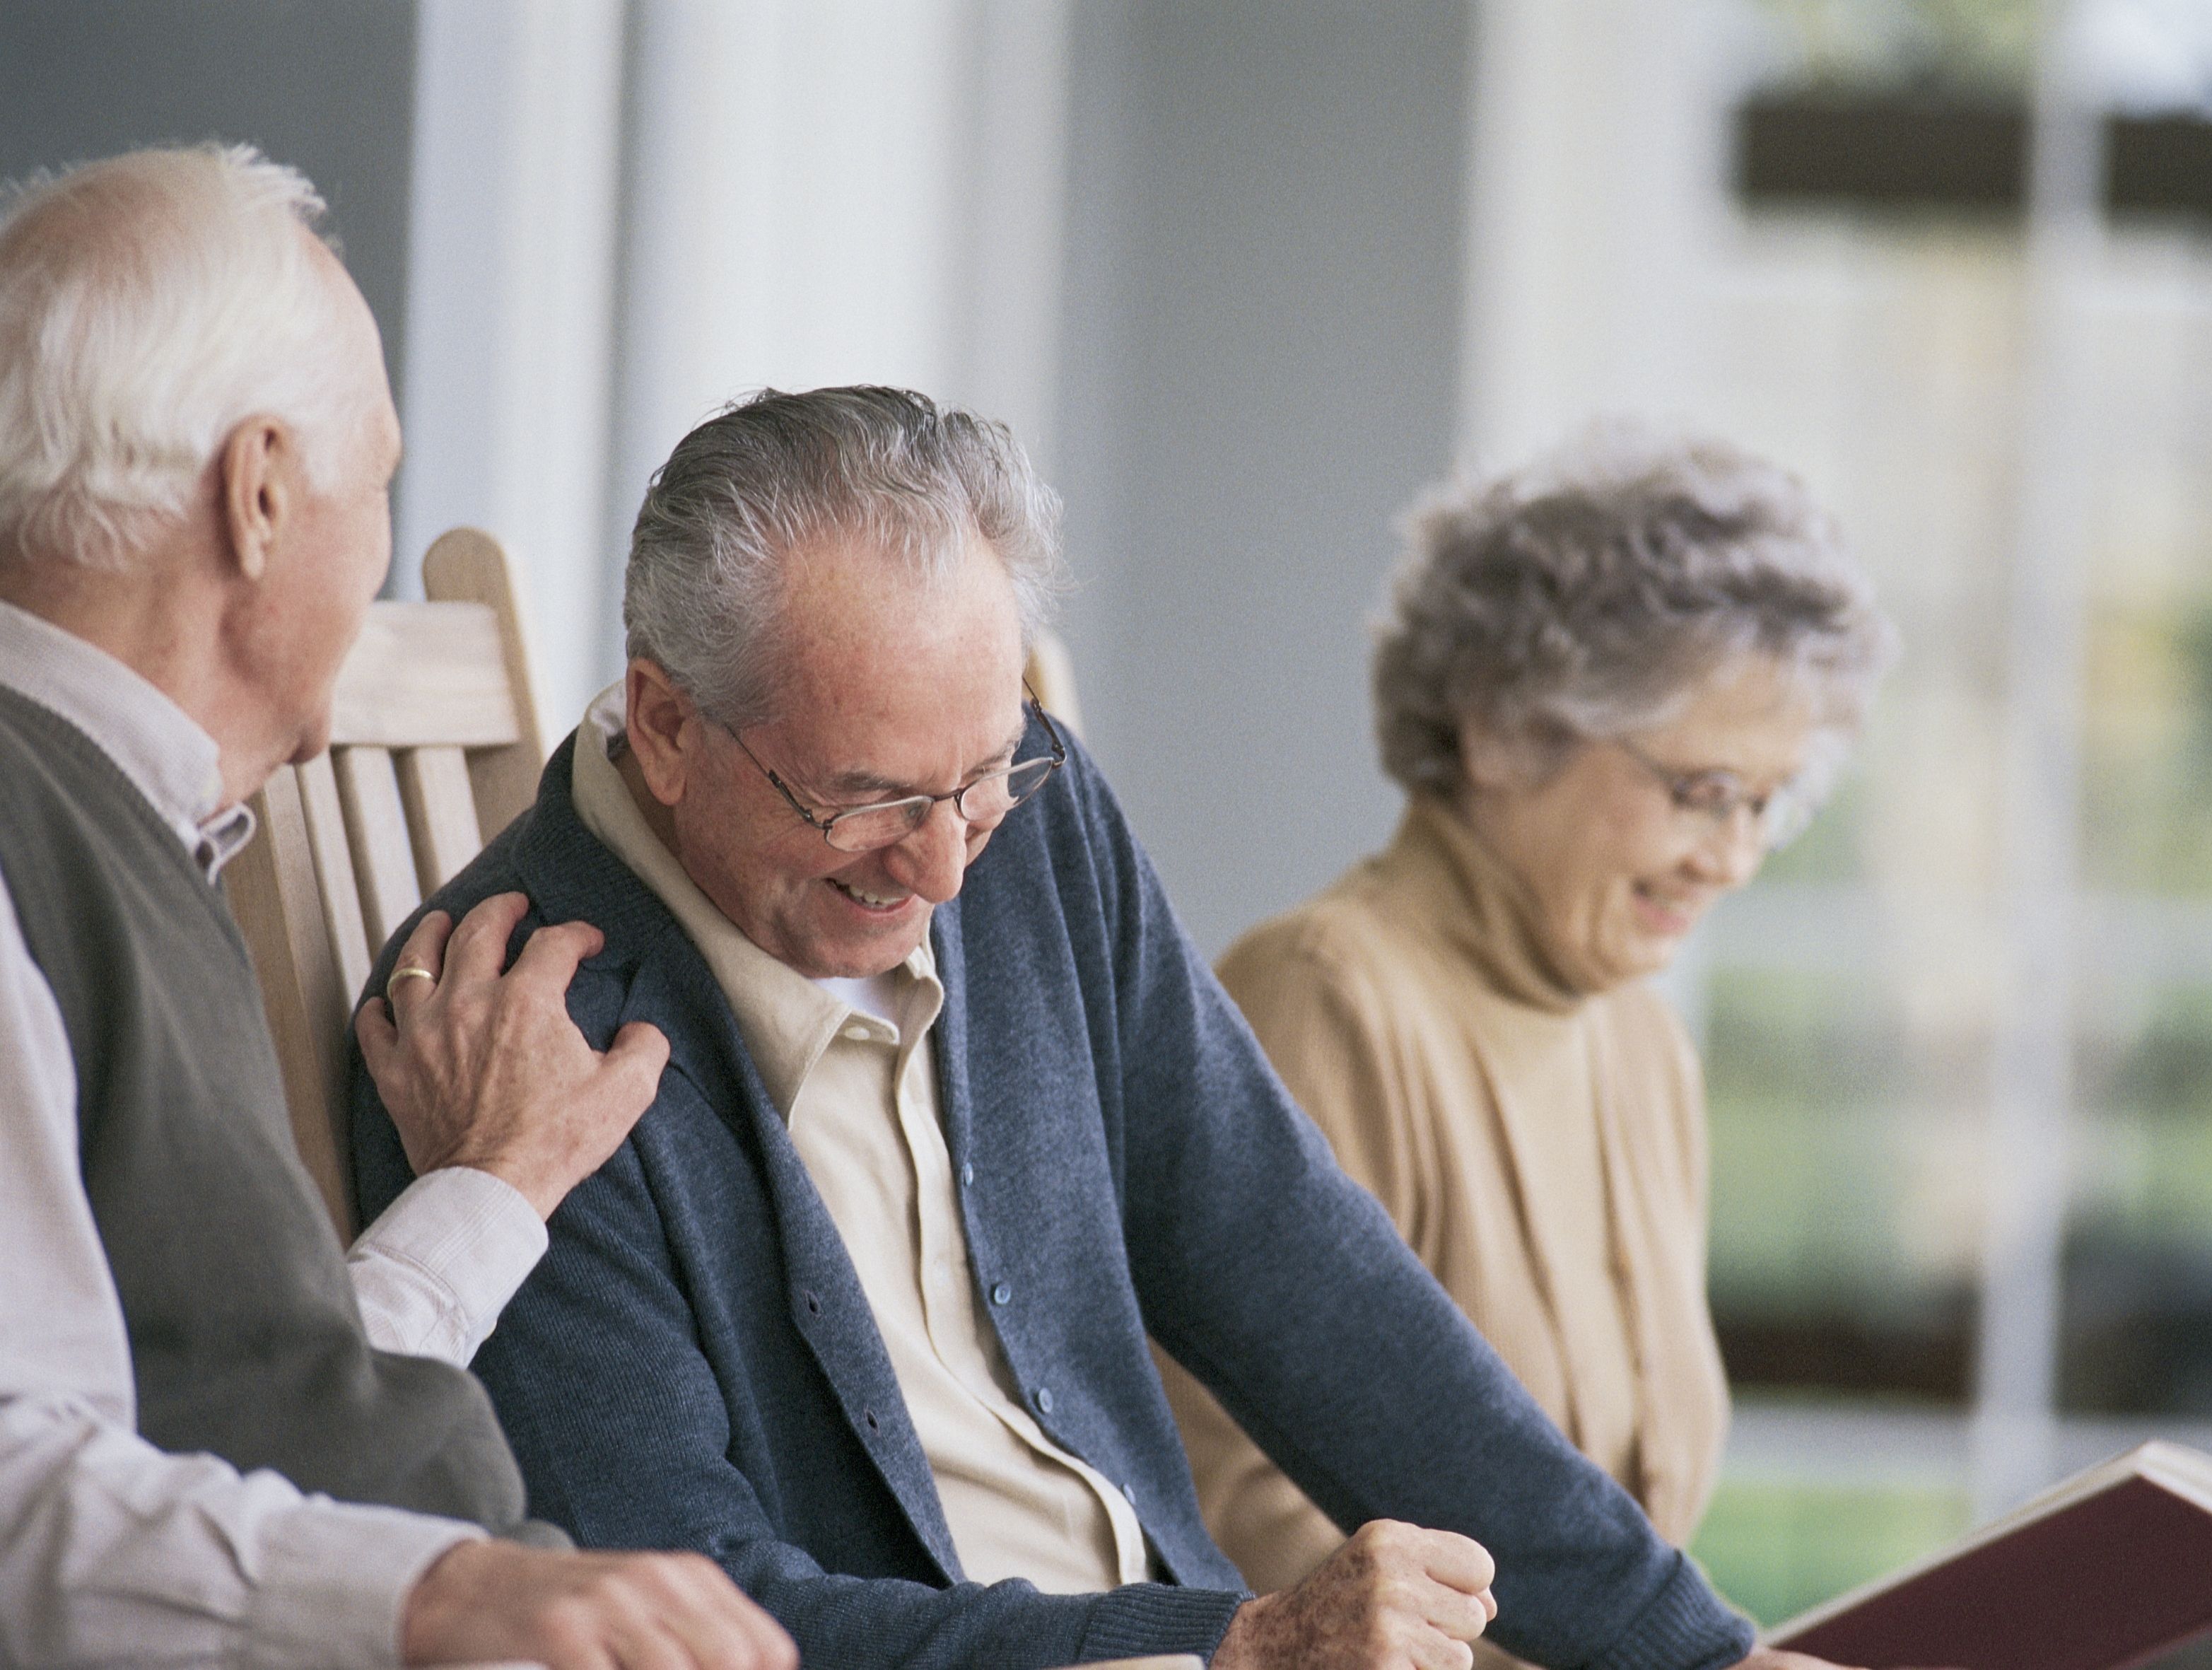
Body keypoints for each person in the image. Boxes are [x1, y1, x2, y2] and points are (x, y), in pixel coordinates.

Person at [346, 386, 1866, 1670]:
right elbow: (688, 1607)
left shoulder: (1027, 829)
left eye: (984, 773)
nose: (943, 867)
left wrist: (1699, 1652)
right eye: (867, 798)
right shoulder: (520, 1046)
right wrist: (1226, 1643)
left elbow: (1293, 1265)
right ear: (668, 725)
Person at [0, 144, 792, 1669]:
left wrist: (487, 1191)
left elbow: (234, 1409)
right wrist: (437, 1590)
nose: (379, 552)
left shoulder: (128, 826)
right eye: (383, 485)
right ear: (262, 495)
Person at [1157, 433, 1895, 1657]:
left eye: (1768, 802)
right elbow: (1233, 1517)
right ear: (1501, 730)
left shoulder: (1646, 1048)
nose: (1734, 857)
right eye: (1699, 790)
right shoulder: (1325, 994)